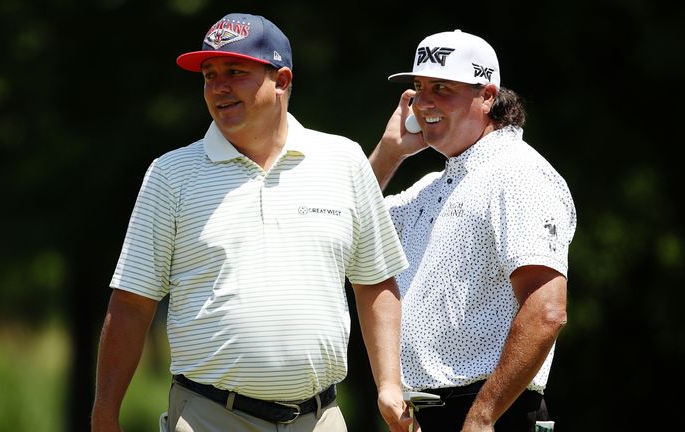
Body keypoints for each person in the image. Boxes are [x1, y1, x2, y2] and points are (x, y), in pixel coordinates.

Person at [91, 12, 412, 432]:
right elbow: (132, 303)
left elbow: (374, 281)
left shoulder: (344, 160)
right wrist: (104, 415)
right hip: (208, 415)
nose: (218, 87)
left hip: (320, 418)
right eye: (209, 74)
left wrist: (389, 383)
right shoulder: (171, 175)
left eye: (235, 71)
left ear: (281, 81)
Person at [369, 30, 577, 432]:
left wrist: (481, 419)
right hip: (430, 416)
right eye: (418, 88)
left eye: (442, 88)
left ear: (487, 96)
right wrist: (389, 152)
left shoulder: (519, 174)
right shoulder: (433, 187)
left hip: (493, 414)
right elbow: (344, 228)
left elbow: (547, 311)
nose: (424, 102)